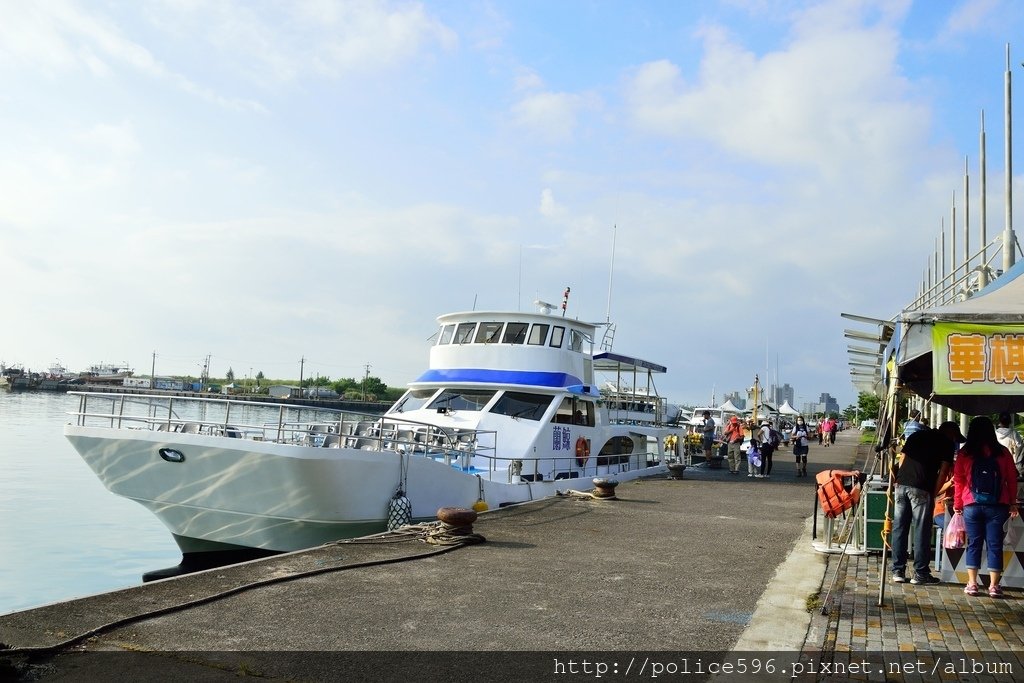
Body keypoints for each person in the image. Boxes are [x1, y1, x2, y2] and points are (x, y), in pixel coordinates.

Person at [953, 416, 1020, 598]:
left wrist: (958, 504)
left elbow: (958, 481)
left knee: (973, 543)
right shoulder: (1003, 452)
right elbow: (1011, 480)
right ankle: (993, 586)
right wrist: (1012, 502)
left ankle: (972, 584)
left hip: (971, 504)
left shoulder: (965, 453)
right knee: (994, 544)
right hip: (998, 505)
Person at [890, 421, 960, 585]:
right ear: (950, 433)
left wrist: (900, 479)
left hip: (901, 484)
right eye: (956, 437)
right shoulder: (946, 444)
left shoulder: (917, 435)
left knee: (900, 527)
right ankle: (920, 573)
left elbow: (903, 458)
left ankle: (898, 570)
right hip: (922, 487)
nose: (956, 441)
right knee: (922, 530)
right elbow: (943, 472)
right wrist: (934, 493)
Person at [994, 411, 1024, 479]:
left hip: (997, 464)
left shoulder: (995, 434)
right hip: (1011, 464)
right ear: (1010, 422)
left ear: (999, 421)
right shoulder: (1014, 433)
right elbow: (1020, 447)